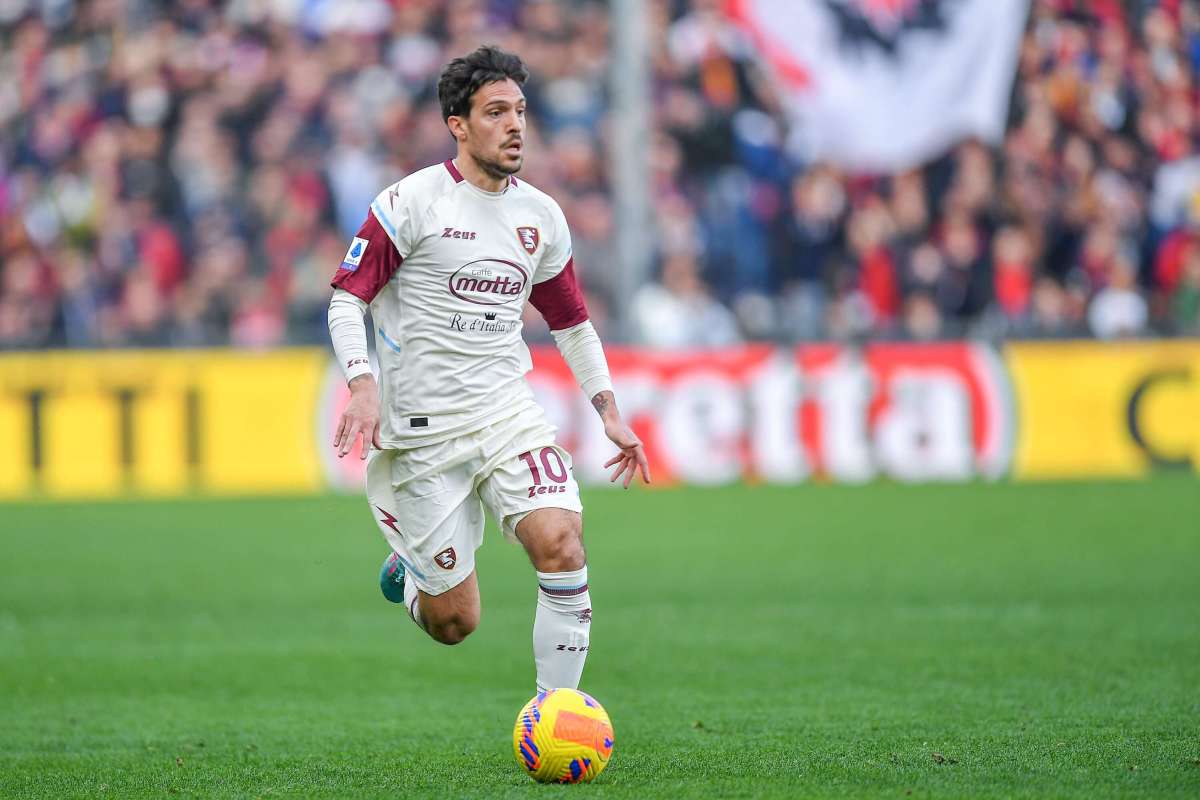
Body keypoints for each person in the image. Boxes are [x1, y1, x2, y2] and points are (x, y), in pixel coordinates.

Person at [325, 46, 650, 693]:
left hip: (506, 416)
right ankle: (413, 575)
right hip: (422, 434)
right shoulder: (410, 202)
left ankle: (556, 713)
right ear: (458, 124)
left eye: (520, 111)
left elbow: (571, 323)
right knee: (454, 622)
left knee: (562, 540)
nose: (515, 125)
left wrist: (608, 409)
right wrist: (362, 383)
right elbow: (346, 298)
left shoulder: (540, 216)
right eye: (496, 112)